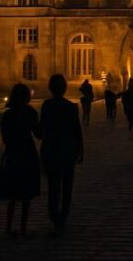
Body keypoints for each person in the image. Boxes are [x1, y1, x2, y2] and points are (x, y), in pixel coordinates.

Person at [0, 83, 41, 238]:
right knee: (26, 194)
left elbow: (5, 138)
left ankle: (8, 227)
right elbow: (38, 134)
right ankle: (23, 229)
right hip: (27, 152)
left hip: (13, 153)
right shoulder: (30, 112)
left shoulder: (8, 115)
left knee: (12, 193)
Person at [40, 74, 83, 234]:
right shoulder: (71, 107)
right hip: (67, 150)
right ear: (64, 89)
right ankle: (63, 215)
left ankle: (54, 214)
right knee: (67, 185)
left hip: (51, 149)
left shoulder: (46, 106)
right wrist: (80, 150)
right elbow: (77, 131)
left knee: (53, 185)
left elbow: (41, 131)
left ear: (50, 88)